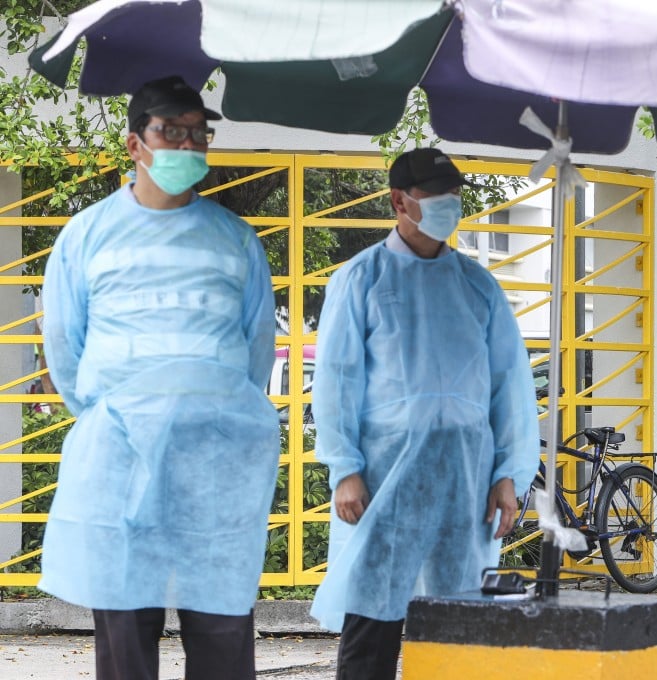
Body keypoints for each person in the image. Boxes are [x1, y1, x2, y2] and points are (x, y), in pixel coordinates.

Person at [40, 76, 280, 680]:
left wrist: (210, 414)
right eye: (171, 131)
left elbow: (256, 352)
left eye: (198, 133)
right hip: (120, 469)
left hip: (216, 472)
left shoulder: (235, 241)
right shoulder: (86, 237)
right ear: (134, 145)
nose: (188, 144)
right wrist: (125, 417)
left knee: (223, 638)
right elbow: (66, 350)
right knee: (125, 646)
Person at [310, 147, 540, 680]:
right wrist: (343, 468)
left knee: (459, 634)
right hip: (385, 483)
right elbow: (336, 380)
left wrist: (509, 474)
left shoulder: (478, 286)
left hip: (466, 484)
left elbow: (510, 386)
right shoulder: (361, 278)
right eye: (438, 199)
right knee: (373, 624)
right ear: (400, 201)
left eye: (455, 199)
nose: (450, 209)